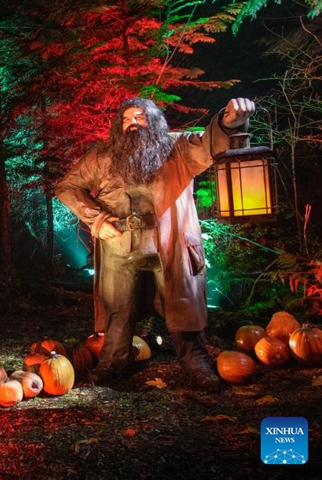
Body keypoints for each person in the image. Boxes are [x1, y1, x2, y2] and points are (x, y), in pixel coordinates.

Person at [55, 97, 256, 391]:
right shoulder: (103, 157)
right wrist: (97, 220)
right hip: (120, 248)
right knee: (117, 306)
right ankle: (113, 360)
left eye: (140, 116)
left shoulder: (179, 149)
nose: (132, 123)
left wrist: (229, 122)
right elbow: (67, 187)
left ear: (156, 121)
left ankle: (195, 360)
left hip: (170, 244)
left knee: (182, 301)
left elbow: (213, 144)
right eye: (126, 119)